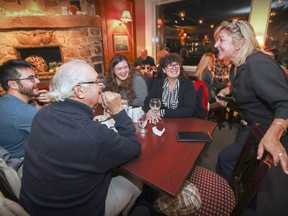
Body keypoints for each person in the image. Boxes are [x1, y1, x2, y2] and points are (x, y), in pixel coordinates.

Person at [19, 59, 142, 216]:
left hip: (35, 205)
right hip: (76, 210)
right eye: (96, 81)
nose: (102, 85)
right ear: (79, 90)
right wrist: (118, 110)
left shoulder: (43, 114)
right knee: (136, 182)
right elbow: (134, 148)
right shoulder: (93, 134)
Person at [214, 20, 288, 181]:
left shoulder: (258, 64)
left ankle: (225, 203)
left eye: (221, 39)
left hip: (265, 130)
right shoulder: (236, 66)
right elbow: (247, 88)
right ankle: (246, 202)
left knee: (225, 159)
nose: (215, 45)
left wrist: (272, 135)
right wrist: (228, 92)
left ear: (240, 42)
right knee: (247, 170)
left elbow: (285, 103)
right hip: (248, 126)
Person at [0, 59, 49, 159]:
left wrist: (48, 102)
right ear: (13, 84)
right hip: (21, 164)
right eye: (31, 78)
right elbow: (59, 129)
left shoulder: (8, 100)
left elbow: (41, 112)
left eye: (36, 76)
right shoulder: (21, 111)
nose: (38, 81)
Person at [144, 53, 197, 124]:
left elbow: (189, 110)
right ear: (164, 70)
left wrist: (161, 112)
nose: (174, 68)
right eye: (170, 65)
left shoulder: (187, 84)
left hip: (182, 124)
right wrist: (150, 111)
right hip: (161, 123)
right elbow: (147, 102)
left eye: (177, 65)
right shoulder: (158, 84)